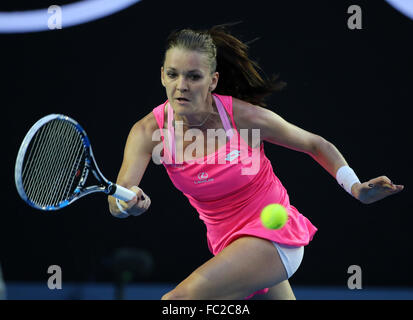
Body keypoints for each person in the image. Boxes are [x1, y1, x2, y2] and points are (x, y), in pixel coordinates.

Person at [107, 23, 404, 300]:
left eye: (193, 76)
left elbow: (316, 144)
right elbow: (118, 199)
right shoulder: (148, 132)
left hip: (274, 233)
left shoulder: (242, 117)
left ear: (213, 81)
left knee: (176, 302)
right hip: (228, 246)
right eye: (173, 74)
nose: (181, 85)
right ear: (162, 75)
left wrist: (356, 187)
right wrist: (128, 203)